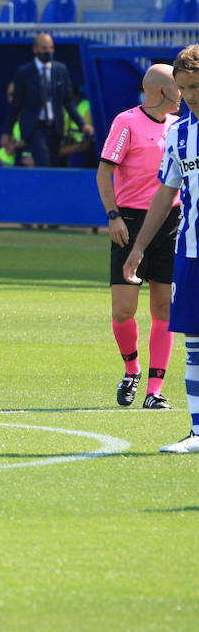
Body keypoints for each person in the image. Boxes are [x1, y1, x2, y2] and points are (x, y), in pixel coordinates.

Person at [123, 44, 199, 454]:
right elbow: (164, 194)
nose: (190, 96)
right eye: (184, 88)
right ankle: (198, 431)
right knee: (195, 341)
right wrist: (138, 248)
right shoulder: (179, 133)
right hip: (190, 250)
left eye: (196, 87)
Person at [98, 64, 181, 410]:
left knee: (164, 308)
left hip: (172, 221)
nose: (186, 93)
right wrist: (114, 216)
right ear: (162, 91)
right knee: (123, 310)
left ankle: (154, 390)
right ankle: (131, 370)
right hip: (131, 222)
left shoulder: (182, 126)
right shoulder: (127, 122)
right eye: (180, 87)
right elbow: (104, 172)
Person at [1, 33, 92, 168]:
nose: (48, 52)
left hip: (55, 126)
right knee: (44, 161)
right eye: (44, 48)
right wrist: (7, 132)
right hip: (34, 125)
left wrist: (82, 125)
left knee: (54, 162)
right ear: (35, 49)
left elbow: (67, 102)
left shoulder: (61, 70)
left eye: (51, 48)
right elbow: (16, 105)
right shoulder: (24, 73)